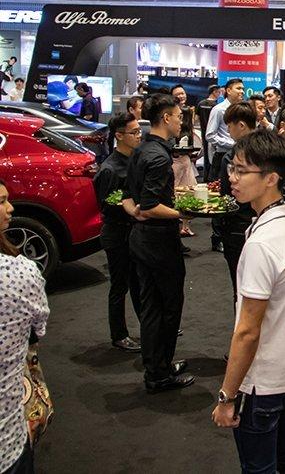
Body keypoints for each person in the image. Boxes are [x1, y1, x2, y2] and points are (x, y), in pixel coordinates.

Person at [211, 131, 285, 473]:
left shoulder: (263, 242)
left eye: (242, 171)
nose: (232, 178)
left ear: (271, 178)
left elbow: (247, 331)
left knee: (260, 468)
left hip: (261, 380)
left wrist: (227, 395)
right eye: (232, 168)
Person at [124, 93, 195, 392]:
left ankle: (157, 367)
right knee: (167, 307)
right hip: (158, 242)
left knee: (152, 306)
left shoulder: (141, 149)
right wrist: (184, 213)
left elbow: (129, 198)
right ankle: (160, 374)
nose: (180, 122)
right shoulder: (158, 156)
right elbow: (151, 204)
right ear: (166, 118)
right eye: (178, 117)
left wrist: (136, 212)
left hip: (142, 239)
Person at [0, 180, 49, 474]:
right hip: (8, 442)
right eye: (1, 201)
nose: (10, 208)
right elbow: (38, 330)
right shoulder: (19, 273)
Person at [92, 112, 143, 353]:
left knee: (138, 283)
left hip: (133, 231)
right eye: (134, 132)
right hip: (117, 233)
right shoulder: (110, 169)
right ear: (119, 136)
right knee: (120, 285)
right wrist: (131, 206)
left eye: (139, 131)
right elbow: (105, 206)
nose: (138, 136)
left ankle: (148, 325)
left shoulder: (134, 160)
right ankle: (119, 334)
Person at [216, 103, 258, 299]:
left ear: (241, 125)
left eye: (229, 126)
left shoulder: (232, 157)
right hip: (266, 221)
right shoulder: (270, 149)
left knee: (241, 289)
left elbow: (228, 196)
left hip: (238, 226)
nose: (228, 130)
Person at [170, 84, 198, 239]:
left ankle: (186, 226)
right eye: (177, 94)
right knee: (173, 192)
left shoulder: (189, 111)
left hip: (186, 158)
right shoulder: (169, 114)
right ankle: (174, 226)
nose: (181, 96)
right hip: (174, 159)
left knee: (188, 191)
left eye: (182, 93)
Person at [205, 78, 245, 182]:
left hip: (240, 154)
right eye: (238, 88)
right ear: (228, 90)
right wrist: (231, 144)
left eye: (243, 89)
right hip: (223, 155)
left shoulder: (242, 109)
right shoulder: (219, 109)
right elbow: (210, 135)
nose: (242, 91)